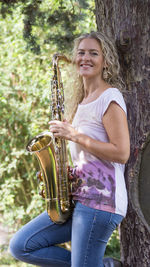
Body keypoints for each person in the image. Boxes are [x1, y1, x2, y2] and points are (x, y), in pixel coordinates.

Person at [9, 31, 130, 267]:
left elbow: (121, 152)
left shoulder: (110, 97)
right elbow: (88, 159)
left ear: (105, 61)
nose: (85, 57)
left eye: (93, 53)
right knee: (21, 246)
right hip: (80, 197)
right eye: (81, 52)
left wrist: (74, 134)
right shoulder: (82, 100)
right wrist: (57, 178)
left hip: (102, 201)